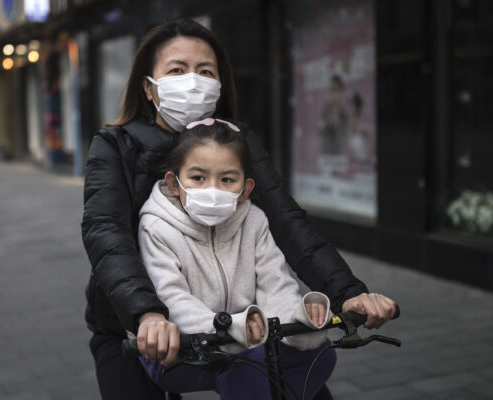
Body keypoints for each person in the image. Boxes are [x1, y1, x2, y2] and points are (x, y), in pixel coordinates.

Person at [81, 18, 396, 400]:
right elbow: (106, 231)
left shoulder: (238, 141)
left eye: (205, 71)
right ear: (149, 88)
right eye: (177, 70)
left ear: (219, 85)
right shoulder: (115, 145)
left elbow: (287, 221)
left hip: (243, 325)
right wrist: (146, 313)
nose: (192, 80)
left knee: (303, 386)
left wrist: (347, 293)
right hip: (135, 323)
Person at [138, 118, 337, 399]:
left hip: (249, 339)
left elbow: (275, 284)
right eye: (198, 178)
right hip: (176, 351)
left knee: (321, 353)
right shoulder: (156, 226)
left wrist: (300, 317)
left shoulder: (253, 221)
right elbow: (172, 299)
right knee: (247, 362)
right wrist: (231, 328)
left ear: (245, 189)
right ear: (173, 182)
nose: (212, 189)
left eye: (227, 179)